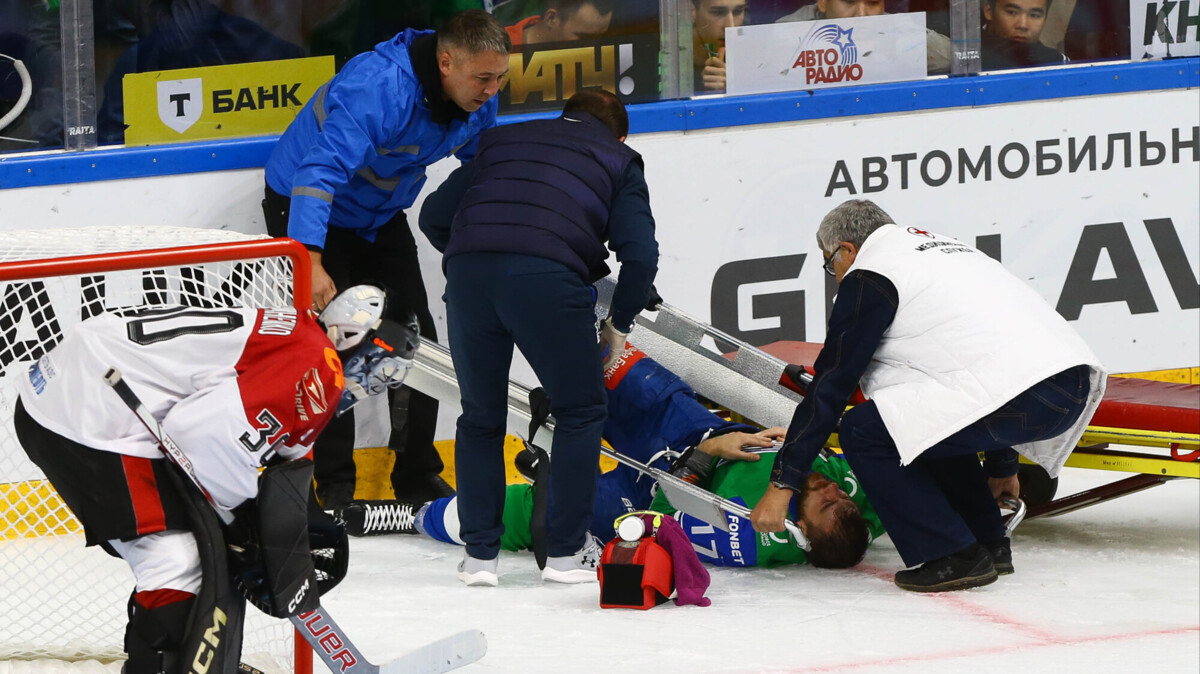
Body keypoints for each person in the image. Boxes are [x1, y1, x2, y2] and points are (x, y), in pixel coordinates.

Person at [13, 285, 418, 673]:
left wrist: (261, 521)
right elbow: (199, 437)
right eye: (377, 367)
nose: (371, 385)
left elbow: (241, 444)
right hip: (89, 407)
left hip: (76, 385)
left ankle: (193, 658)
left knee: (205, 545)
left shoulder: (301, 338)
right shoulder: (321, 366)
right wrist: (244, 521)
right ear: (351, 336)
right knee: (178, 561)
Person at [749, 199, 1105, 592]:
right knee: (912, 420)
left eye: (829, 262)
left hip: (1022, 392)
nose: (835, 276)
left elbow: (832, 383)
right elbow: (985, 361)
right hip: (1071, 383)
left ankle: (951, 555)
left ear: (847, 250)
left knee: (863, 431)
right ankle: (986, 541)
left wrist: (782, 483)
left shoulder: (871, 273)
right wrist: (1003, 464)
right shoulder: (944, 251)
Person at [262, 10, 511, 508]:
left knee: (417, 341)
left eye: (499, 78)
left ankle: (417, 475)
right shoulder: (378, 87)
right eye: (483, 78)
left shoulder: (477, 94)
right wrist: (309, 261)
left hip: (379, 217)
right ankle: (333, 483)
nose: (491, 90)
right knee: (330, 348)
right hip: (309, 206)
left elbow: (484, 165)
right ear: (445, 63)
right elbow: (318, 174)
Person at [341, 343, 884, 570]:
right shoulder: (849, 516)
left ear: (802, 533)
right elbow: (885, 501)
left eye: (825, 504)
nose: (831, 488)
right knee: (614, 357)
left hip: (648, 494)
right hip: (687, 427)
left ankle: (411, 517)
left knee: (521, 515)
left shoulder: (757, 538)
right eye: (839, 495)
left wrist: (708, 449)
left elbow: (676, 500)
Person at [418, 89, 659, 587]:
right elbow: (640, 256)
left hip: (467, 280)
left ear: (565, 115)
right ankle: (566, 554)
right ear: (620, 134)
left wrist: (479, 253)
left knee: (480, 416)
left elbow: (433, 217)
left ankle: (480, 559)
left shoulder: (502, 140)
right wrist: (620, 322)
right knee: (581, 411)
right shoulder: (619, 158)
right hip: (547, 282)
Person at [776, 0, 954, 74]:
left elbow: (951, 57)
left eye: (873, 3)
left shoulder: (891, 24)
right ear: (823, 2)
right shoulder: (790, 31)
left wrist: (886, 41)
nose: (862, 15)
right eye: (849, 2)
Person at [981, 0, 1067, 70]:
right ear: (989, 12)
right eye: (1012, 12)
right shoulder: (971, 61)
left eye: (1034, 15)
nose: (1023, 25)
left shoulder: (1055, 62)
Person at [505, 0, 616, 47]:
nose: (593, 47)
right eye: (584, 37)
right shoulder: (494, 50)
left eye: (600, 38)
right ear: (551, 19)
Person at [692, 0, 747, 93]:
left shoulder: (751, 53)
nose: (731, 26)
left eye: (738, 11)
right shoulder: (667, 56)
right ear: (692, 12)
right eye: (718, 13)